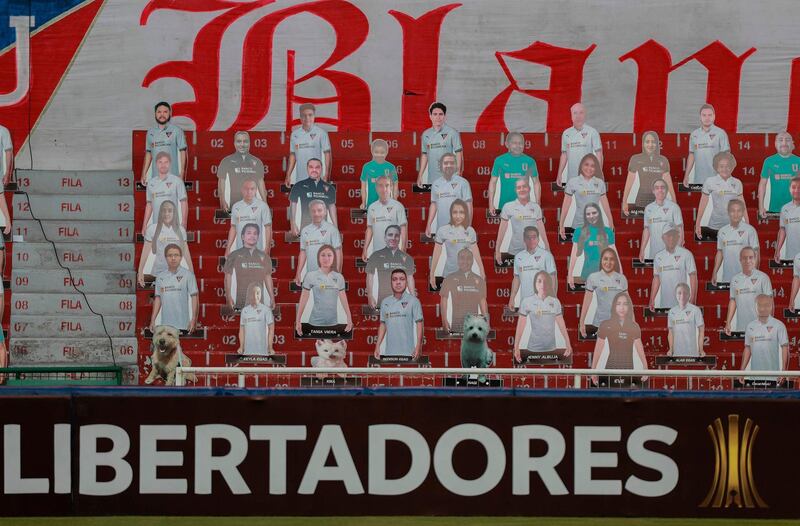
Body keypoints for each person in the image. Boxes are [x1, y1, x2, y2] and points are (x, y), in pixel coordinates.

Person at [591, 292, 648, 386]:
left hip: (629, 371)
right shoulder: (606, 324)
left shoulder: (634, 326)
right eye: (618, 304)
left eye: (625, 304)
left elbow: (639, 348)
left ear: (629, 306)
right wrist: (593, 370)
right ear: (614, 306)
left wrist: (645, 368)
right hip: (610, 369)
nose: (622, 307)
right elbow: (598, 349)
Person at [514, 271, 572, 361]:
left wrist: (568, 343)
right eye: (539, 281)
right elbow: (520, 326)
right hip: (533, 348)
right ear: (535, 283)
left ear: (549, 284)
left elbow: (562, 325)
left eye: (545, 281)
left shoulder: (555, 302)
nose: (542, 284)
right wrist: (516, 346)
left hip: (552, 348)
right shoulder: (527, 301)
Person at [295, 245, 353, 333]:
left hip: (333, 323)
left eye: (329, 255)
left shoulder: (339, 277)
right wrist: (298, 321)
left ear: (334, 257)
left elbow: (343, 299)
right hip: (314, 323)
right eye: (323, 255)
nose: (326, 258)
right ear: (318, 257)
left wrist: (349, 318)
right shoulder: (310, 276)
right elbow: (303, 298)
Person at [429, 200, 484, 288]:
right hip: (448, 274)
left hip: (466, 275)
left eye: (461, 212)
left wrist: (482, 271)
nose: (458, 216)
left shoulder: (470, 231)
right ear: (451, 213)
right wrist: (432, 274)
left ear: (465, 213)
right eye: (455, 212)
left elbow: (476, 252)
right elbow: (436, 254)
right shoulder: (443, 230)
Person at [137, 201, 193, 287]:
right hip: (158, 273)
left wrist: (191, 272)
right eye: (164, 211)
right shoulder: (152, 229)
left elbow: (185, 251)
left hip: (176, 274)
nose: (167, 214)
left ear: (174, 213)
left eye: (170, 211)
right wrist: (140, 271)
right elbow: (145, 251)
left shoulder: (181, 230)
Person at [494, 178, 548, 265]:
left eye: (524, 186)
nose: (522, 189)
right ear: (515, 190)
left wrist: (547, 247)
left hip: (533, 251)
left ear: (529, 188)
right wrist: (497, 250)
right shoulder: (508, 206)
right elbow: (502, 230)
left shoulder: (536, 207)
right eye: (519, 187)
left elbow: (541, 228)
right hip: (515, 251)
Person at [559, 153, 614, 239]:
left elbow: (605, 203)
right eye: (586, 164)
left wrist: (611, 221)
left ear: (596, 168)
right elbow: (566, 204)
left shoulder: (600, 182)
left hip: (596, 226)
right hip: (578, 226)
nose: (589, 168)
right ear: (581, 165)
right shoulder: (573, 182)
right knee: (577, 252)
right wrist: (561, 224)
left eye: (592, 166)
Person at [695, 151, 746, 239]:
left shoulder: (737, 183)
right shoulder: (709, 181)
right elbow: (703, 202)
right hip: (715, 225)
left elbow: (742, 204)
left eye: (727, 166)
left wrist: (747, 225)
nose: (724, 169)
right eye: (721, 166)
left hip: (734, 225)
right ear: (716, 168)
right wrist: (697, 223)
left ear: (732, 167)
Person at [224, 224, 275, 310]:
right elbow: (227, 277)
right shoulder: (233, 255)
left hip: (259, 305)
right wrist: (228, 297)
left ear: (258, 237)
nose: (252, 236)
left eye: (255, 233)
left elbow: (267, 277)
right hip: (240, 304)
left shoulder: (265, 257)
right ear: (242, 236)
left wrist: (272, 298)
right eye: (249, 233)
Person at [374, 269, 423, 359]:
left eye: (401, 279)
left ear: (406, 282)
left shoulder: (414, 301)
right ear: (391, 283)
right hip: (389, 353)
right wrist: (377, 345)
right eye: (394, 279)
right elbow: (383, 324)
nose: (398, 282)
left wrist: (418, 346)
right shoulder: (385, 302)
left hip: (409, 353)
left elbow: (419, 324)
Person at [622, 130, 675, 214]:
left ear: (657, 144)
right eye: (647, 142)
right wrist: (624, 201)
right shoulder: (635, 159)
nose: (650, 145)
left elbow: (668, 182)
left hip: (658, 201)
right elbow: (629, 182)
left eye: (653, 142)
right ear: (643, 143)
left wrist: (674, 201)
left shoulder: (663, 160)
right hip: (641, 201)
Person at [150, 244, 199, 332]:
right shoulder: (160, 277)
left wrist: (194, 319)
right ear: (165, 257)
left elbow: (194, 297)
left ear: (181, 257)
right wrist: (153, 320)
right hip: (166, 327)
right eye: (170, 255)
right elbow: (158, 298)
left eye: (176, 255)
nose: (173, 258)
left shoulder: (188, 275)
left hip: (183, 325)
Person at [580, 248, 628, 338]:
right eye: (605, 259)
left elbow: (628, 303)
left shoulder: (622, 278)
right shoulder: (593, 277)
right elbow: (587, 300)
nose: (608, 262)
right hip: (600, 324)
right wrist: (581, 321)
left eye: (611, 259)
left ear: (615, 261)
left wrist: (631, 324)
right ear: (601, 260)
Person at [366, 225, 416, 309]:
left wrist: (413, 298)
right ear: (385, 237)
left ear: (399, 238)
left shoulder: (407, 258)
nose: (393, 238)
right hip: (383, 302)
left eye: (396, 235)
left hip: (402, 305)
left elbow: (410, 278)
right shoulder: (375, 255)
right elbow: (369, 276)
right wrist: (370, 296)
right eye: (390, 235)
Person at [488, 132, 540, 213]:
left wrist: (538, 203)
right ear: (507, 144)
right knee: (504, 226)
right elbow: (493, 182)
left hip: (524, 207)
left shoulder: (530, 161)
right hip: (505, 206)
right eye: (514, 143)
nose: (518, 146)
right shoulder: (499, 160)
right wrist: (491, 204)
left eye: (520, 143)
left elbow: (536, 182)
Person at [741, 295, 789, 384]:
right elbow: (748, 349)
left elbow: (785, 348)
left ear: (771, 306)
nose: (762, 308)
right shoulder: (750, 326)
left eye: (766, 305)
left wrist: (783, 371)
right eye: (760, 305)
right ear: (755, 306)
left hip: (774, 378)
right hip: (754, 378)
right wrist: (742, 371)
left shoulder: (779, 325)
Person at [725, 247, 773, 335]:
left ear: (755, 259)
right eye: (744, 258)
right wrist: (728, 322)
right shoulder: (734, 279)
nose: (748, 261)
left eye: (751, 257)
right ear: (740, 260)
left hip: (760, 328)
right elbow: (733, 301)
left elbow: (770, 301)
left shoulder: (763, 278)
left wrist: (770, 324)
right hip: (742, 327)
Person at [440, 249, 489, 333]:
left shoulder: (480, 280)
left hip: (474, 328)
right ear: (458, 260)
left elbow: (482, 302)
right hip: (456, 325)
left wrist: (486, 322)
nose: (465, 261)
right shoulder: (449, 278)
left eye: (468, 258)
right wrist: (444, 320)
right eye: (462, 258)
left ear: (473, 261)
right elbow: (444, 299)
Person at [649, 224, 697, 310]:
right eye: (668, 235)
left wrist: (693, 298)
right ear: (663, 237)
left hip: (682, 305)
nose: (671, 238)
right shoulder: (658, 257)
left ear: (678, 237)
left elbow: (693, 276)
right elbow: (656, 278)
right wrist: (652, 299)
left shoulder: (686, 254)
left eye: (674, 235)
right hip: (664, 304)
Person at [216, 131, 268, 211]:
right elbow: (221, 182)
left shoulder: (257, 162)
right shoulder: (226, 161)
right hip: (234, 205)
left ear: (250, 143)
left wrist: (265, 203)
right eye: (239, 141)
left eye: (245, 141)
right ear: (234, 143)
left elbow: (261, 183)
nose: (242, 144)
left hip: (253, 207)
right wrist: (222, 200)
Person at [567, 203, 616, 287]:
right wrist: (570, 274)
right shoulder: (579, 231)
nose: (591, 216)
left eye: (594, 213)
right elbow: (575, 254)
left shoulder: (608, 231)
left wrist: (620, 273)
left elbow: (614, 253)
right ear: (585, 216)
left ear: (599, 213)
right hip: (587, 274)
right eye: (588, 214)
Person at [425, 153, 473, 237]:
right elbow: (434, 204)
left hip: (459, 231)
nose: (449, 165)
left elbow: (469, 205)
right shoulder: (436, 184)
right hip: (441, 230)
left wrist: (468, 226)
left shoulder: (463, 183)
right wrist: (428, 224)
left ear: (455, 165)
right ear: (441, 165)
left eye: (452, 163)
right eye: (446, 163)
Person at [712, 200, 759, 285]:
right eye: (733, 211)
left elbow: (756, 253)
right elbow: (720, 252)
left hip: (745, 281)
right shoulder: (722, 231)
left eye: (739, 211)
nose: (736, 214)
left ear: (743, 212)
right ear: (728, 212)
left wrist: (753, 277)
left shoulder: (750, 230)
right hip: (727, 279)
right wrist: (714, 272)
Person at [295, 200, 343, 283]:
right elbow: (303, 252)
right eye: (313, 211)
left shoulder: (332, 230)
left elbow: (338, 251)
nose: (316, 214)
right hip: (311, 277)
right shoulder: (305, 231)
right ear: (310, 213)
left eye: (319, 210)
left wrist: (337, 273)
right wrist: (298, 273)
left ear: (325, 212)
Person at [683, 103, 730, 186]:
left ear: (714, 116)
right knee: (700, 199)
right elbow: (692, 155)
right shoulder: (694, 134)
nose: (707, 118)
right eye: (704, 115)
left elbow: (726, 156)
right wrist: (686, 175)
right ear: (700, 117)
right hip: (698, 180)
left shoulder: (721, 133)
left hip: (717, 180)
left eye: (710, 115)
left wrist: (724, 177)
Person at [509, 226, 557, 309]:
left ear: (538, 239)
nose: (531, 240)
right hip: (525, 304)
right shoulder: (518, 257)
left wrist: (552, 298)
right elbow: (516, 278)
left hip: (543, 303)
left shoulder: (546, 255)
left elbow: (553, 277)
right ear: (524, 239)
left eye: (534, 237)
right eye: (528, 237)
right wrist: (512, 298)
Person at [141, 152, 188, 236]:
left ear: (170, 164)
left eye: (166, 162)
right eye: (160, 162)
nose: (163, 165)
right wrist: (144, 224)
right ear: (156, 164)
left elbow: (184, 202)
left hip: (174, 227)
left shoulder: (177, 181)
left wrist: (184, 223)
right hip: (156, 227)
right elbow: (149, 205)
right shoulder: (151, 183)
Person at [416, 102, 463, 186]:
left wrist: (458, 171)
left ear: (445, 116)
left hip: (450, 177)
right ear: (430, 116)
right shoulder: (425, 134)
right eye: (435, 114)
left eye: (441, 114)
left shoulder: (452, 132)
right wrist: (420, 175)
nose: (438, 117)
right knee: (433, 199)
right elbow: (424, 155)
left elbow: (459, 153)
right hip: (432, 178)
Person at [284, 103, 331, 186]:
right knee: (300, 199)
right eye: (304, 115)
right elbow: (293, 155)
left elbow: (327, 154)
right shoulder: (295, 134)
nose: (307, 118)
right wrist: (288, 175)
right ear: (300, 117)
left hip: (317, 179)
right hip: (299, 179)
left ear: (314, 116)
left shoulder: (321, 133)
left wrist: (327, 174)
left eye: (310, 115)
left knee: (316, 199)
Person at [556, 103, 603, 186]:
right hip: (571, 179)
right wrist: (559, 174)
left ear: (585, 115)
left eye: (581, 112)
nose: (578, 116)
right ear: (571, 116)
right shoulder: (566, 133)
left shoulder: (592, 132)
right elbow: (564, 155)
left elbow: (599, 154)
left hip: (588, 179)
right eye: (575, 113)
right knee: (569, 199)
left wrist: (599, 173)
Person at [141, 102, 187, 184]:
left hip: (173, 178)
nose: (162, 115)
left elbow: (182, 152)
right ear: (155, 114)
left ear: (170, 114)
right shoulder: (150, 132)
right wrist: (144, 173)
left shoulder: (176, 130)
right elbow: (149, 153)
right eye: (159, 112)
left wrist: (182, 172)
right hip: (156, 178)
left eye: (165, 112)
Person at [289, 158, 337, 236]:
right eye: (311, 167)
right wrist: (293, 224)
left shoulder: (330, 188)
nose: (314, 170)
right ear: (307, 169)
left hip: (324, 232)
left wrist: (335, 227)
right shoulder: (298, 185)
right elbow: (293, 205)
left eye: (317, 167)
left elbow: (332, 207)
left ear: (321, 169)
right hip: (305, 230)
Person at [363, 176, 407, 261]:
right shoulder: (372, 207)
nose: (384, 189)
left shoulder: (398, 206)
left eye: (387, 185)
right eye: (380, 185)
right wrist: (365, 248)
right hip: (377, 254)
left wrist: (403, 250)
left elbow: (403, 229)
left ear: (391, 187)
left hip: (395, 255)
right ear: (376, 188)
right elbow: (370, 229)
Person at [639, 179, 684, 262]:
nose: (660, 190)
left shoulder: (674, 207)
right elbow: (647, 230)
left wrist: (677, 252)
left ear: (666, 190)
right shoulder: (648, 208)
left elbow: (680, 230)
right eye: (657, 188)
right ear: (653, 191)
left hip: (671, 256)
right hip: (654, 255)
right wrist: (642, 250)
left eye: (662, 187)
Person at [759, 132, 800, 217]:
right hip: (774, 209)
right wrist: (761, 207)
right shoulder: (769, 161)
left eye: (787, 140)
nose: (784, 143)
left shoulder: (798, 161)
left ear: (792, 143)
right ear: (775, 143)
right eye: (781, 140)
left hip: (795, 209)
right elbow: (762, 184)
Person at [226, 179, 273, 255]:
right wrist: (228, 248)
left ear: (256, 190)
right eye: (246, 189)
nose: (249, 191)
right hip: (240, 252)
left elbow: (268, 227)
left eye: (252, 189)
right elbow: (233, 227)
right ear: (242, 189)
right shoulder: (236, 206)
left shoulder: (263, 206)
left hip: (257, 251)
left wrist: (267, 248)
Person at [667, 283, 705, 357]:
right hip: (677, 354)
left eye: (685, 293)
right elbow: (670, 333)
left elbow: (701, 330)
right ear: (675, 294)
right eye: (679, 293)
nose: (682, 296)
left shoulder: (695, 310)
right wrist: (671, 349)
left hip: (692, 353)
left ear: (689, 295)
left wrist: (701, 350)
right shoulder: (672, 311)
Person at [237, 282, 275, 356]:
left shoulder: (266, 310)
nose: (255, 296)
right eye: (253, 293)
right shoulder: (244, 310)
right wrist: (241, 347)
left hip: (263, 352)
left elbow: (271, 330)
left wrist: (270, 348)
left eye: (258, 293)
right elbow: (242, 330)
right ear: (249, 295)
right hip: (248, 352)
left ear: (261, 294)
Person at [360, 139, 399, 209]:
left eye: (382, 152)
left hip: (387, 205)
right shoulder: (367, 167)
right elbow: (363, 187)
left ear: (386, 152)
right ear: (372, 152)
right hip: (371, 204)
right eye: (376, 152)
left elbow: (395, 185)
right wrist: (363, 203)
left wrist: (395, 201)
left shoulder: (391, 167)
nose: (379, 155)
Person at [774, 176, 800, 263]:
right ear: (789, 189)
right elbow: (783, 229)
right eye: (793, 187)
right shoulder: (785, 209)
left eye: (799, 187)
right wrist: (777, 250)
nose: (796, 190)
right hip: (791, 255)